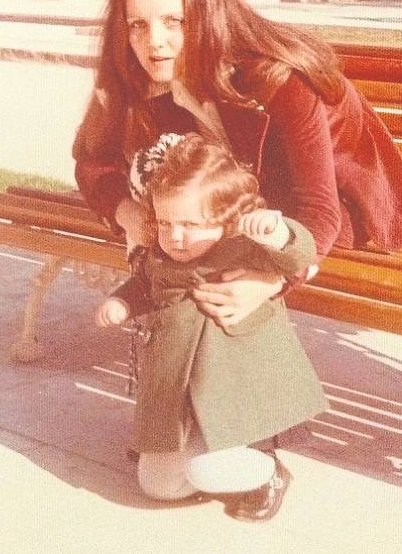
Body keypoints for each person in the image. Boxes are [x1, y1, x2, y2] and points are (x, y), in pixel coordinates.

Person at [73, 0, 402, 335]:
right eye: (138, 24)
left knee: (202, 266)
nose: (153, 41)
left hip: (339, 208)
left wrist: (271, 280)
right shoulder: (136, 71)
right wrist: (128, 213)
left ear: (207, 16)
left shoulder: (279, 79)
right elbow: (92, 160)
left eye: (174, 21)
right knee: (185, 251)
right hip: (238, 201)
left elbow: (319, 208)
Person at [96, 133, 325, 521]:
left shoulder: (243, 249)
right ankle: (191, 458)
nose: (175, 236)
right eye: (166, 222)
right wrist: (120, 302)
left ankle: (265, 474)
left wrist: (278, 231)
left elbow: (301, 255)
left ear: (224, 217)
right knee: (157, 486)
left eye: (190, 224)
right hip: (182, 396)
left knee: (208, 468)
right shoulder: (163, 255)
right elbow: (145, 284)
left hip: (236, 392)